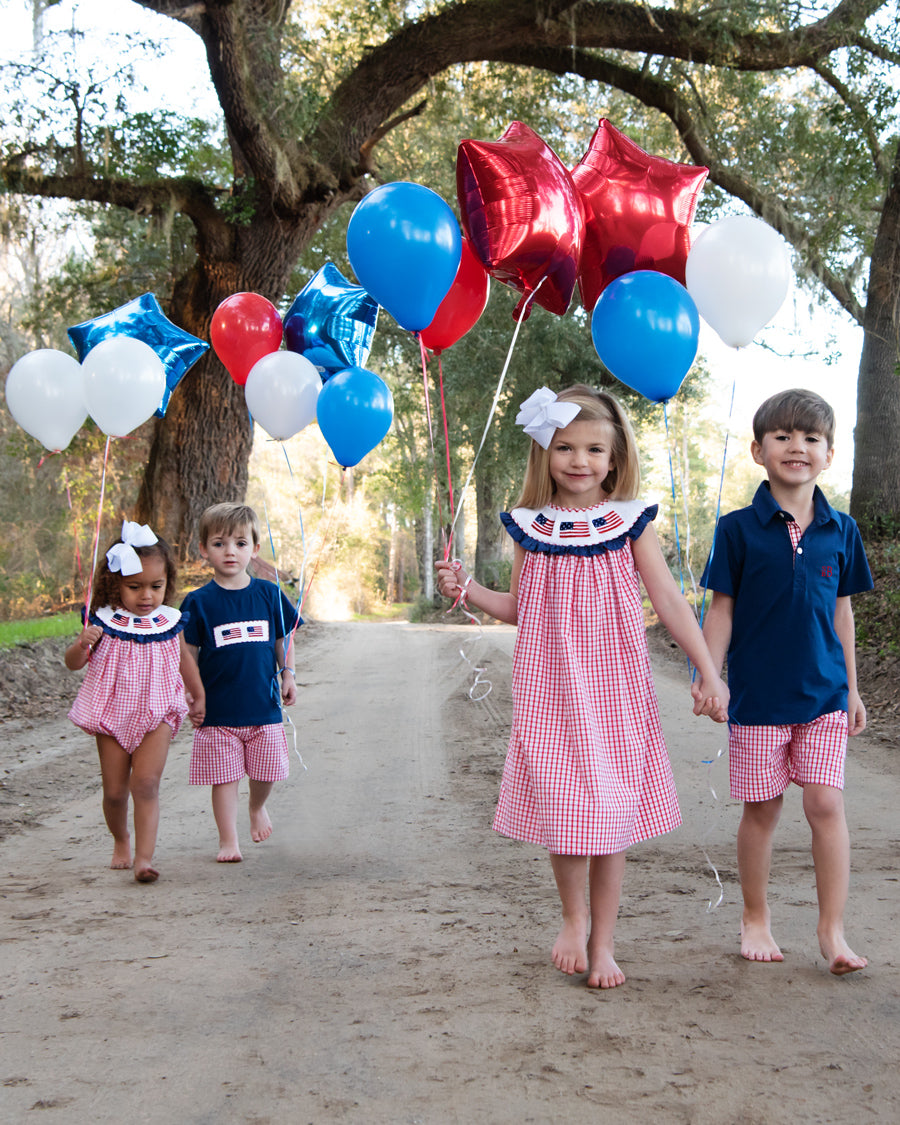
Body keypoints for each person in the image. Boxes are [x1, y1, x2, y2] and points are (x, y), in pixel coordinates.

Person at [436, 384, 729, 989]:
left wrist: (707, 669)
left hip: (616, 691)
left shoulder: (629, 522)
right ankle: (573, 920)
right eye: (564, 447)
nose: (579, 461)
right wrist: (464, 590)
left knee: (611, 812)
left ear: (615, 458)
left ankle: (605, 941)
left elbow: (670, 601)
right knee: (568, 807)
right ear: (544, 452)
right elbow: (519, 606)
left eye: (595, 449)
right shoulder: (528, 527)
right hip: (549, 690)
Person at [701, 388, 872, 975]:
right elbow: (720, 609)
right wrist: (710, 675)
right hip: (758, 698)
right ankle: (755, 916)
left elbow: (841, 614)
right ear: (758, 450)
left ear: (828, 454)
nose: (797, 446)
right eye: (783, 436)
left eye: (811, 438)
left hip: (824, 693)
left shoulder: (841, 530)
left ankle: (832, 931)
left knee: (825, 802)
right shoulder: (738, 529)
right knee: (764, 809)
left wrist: (851, 687)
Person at [65, 520, 203, 883]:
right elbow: (73, 664)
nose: (146, 596)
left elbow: (183, 658)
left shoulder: (168, 621)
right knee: (114, 792)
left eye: (156, 587)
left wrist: (197, 694)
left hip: (157, 711)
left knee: (146, 784)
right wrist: (83, 643)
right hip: (112, 713)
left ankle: (144, 859)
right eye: (134, 587)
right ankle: (121, 839)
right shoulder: (104, 622)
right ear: (115, 585)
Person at [180, 503, 300, 863]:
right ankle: (228, 840)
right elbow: (187, 652)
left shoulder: (269, 594)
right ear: (203, 549)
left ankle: (257, 805)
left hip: (263, 706)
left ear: (255, 549)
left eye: (240, 543)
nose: (230, 551)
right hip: (218, 711)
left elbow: (284, 638)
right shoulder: (198, 602)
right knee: (224, 778)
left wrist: (289, 674)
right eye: (219, 544)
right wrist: (193, 693)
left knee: (266, 771)